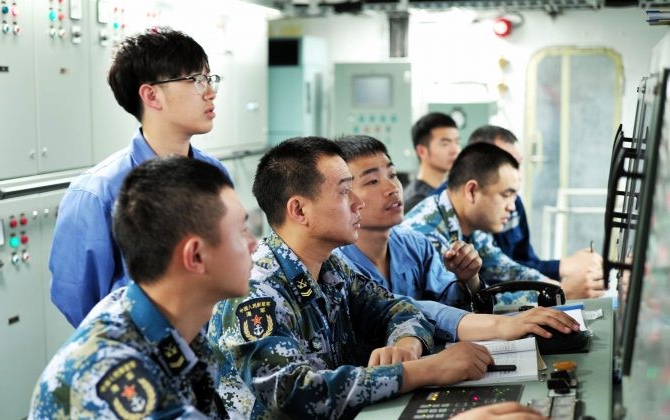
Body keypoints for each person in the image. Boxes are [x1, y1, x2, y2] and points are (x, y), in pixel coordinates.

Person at [208, 137, 497, 419]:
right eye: (345, 191)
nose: (358, 203)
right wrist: (425, 370)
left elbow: (398, 308)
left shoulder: (331, 268)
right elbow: (292, 396)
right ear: (299, 210)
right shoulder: (255, 290)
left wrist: (406, 342)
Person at [29, 157, 257, 418]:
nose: (253, 244)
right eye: (242, 231)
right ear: (195, 256)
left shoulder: (177, 330)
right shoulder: (111, 371)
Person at [49, 28, 230, 327]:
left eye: (209, 79)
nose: (209, 91)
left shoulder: (214, 174)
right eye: (196, 80)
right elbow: (79, 299)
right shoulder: (98, 192)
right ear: (151, 95)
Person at [334, 135, 579, 342]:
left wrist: (469, 278)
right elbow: (401, 309)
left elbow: (456, 302)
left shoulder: (414, 245)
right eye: (372, 181)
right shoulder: (336, 265)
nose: (392, 188)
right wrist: (501, 325)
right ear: (344, 194)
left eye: (393, 174)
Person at [401, 143, 554, 307]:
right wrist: (548, 297)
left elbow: (504, 268)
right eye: (506, 195)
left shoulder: (466, 222)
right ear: (472, 191)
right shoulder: (427, 237)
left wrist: (552, 287)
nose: (512, 207)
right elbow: (462, 309)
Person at [468, 125, 605, 299]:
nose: (517, 175)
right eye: (508, 164)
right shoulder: (439, 227)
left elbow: (509, 268)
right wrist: (562, 288)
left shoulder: (513, 203)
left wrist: (560, 286)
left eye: (518, 164)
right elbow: (477, 298)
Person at [403, 112, 460, 212]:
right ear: (422, 151)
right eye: (445, 144)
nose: (455, 150)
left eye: (456, 142)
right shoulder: (417, 201)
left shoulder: (445, 191)